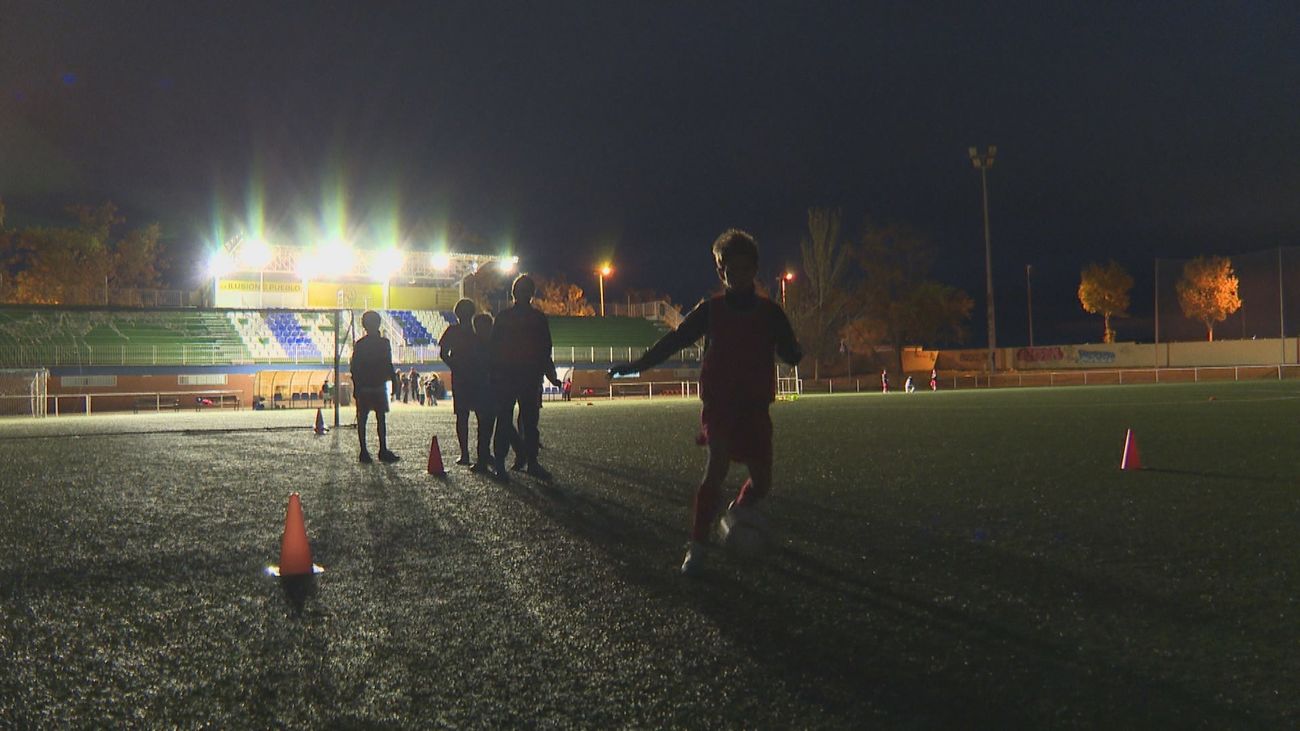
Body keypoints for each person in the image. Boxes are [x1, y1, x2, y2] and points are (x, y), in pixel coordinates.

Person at [609, 229, 802, 576]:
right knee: (716, 468)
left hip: (756, 407)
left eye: (746, 269)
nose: (739, 276)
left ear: (755, 270)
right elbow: (674, 341)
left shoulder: (771, 313)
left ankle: (738, 512)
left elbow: (791, 351)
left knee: (762, 482)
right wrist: (635, 367)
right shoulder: (710, 311)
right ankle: (697, 547)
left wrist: (791, 351)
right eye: (732, 269)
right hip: (721, 405)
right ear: (721, 272)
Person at [490, 274, 562, 480]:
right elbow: (495, 349)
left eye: (526, 291)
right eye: (521, 291)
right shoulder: (511, 319)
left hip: (525, 377)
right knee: (506, 421)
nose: (524, 295)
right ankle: (502, 463)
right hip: (512, 377)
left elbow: (544, 350)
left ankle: (530, 461)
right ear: (515, 294)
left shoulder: (529, 319)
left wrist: (551, 374)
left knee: (528, 423)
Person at [350, 310, 400, 464]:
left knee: (362, 419)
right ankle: (382, 449)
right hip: (378, 385)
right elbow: (388, 364)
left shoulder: (360, 344)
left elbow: (354, 367)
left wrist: (356, 385)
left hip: (364, 386)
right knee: (381, 419)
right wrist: (394, 381)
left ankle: (364, 451)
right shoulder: (384, 343)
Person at [440, 299, 478, 465]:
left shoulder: (452, 331)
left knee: (463, 416)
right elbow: (443, 353)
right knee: (479, 415)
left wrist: (454, 365)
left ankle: (465, 454)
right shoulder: (477, 330)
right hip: (475, 377)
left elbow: (443, 353)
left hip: (463, 377)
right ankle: (479, 453)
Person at [467, 312, 498, 474]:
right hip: (487, 391)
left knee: (486, 427)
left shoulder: (477, 346)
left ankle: (483, 459)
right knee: (487, 426)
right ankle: (485, 456)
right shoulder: (493, 345)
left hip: (487, 391)